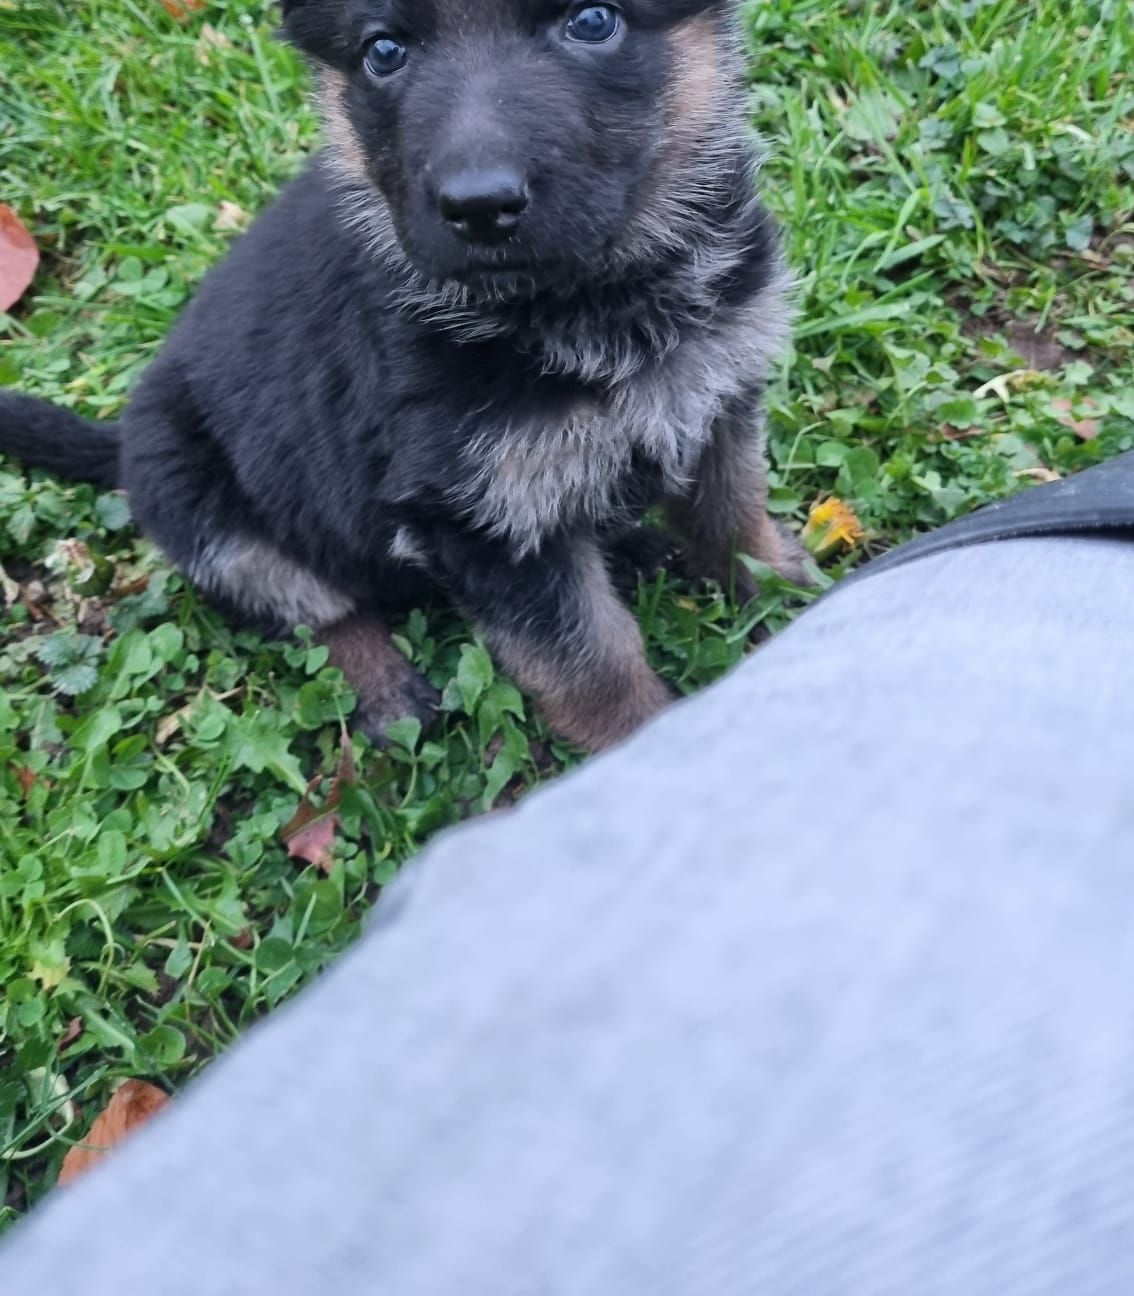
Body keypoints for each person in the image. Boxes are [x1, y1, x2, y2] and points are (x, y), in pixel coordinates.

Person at [5, 455, 1134, 1295]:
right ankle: (354, 618)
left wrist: (738, 538)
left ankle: (1025, 589)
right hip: (282, 490)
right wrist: (620, 716)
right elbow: (478, 508)